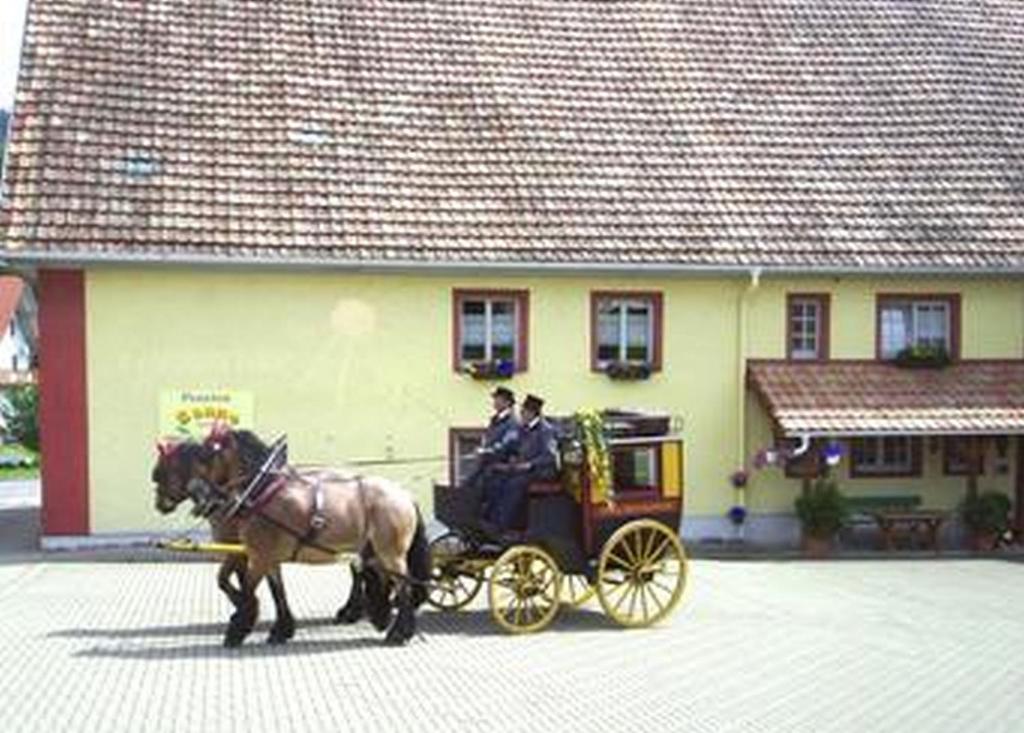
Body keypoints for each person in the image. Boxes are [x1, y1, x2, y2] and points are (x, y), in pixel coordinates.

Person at [484, 393, 559, 533]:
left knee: (515, 484)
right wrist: (504, 457)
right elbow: (512, 445)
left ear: (532, 413)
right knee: (496, 478)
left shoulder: (546, 430)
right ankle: (490, 519)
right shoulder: (522, 429)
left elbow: (549, 456)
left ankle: (504, 525)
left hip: (542, 471)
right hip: (522, 469)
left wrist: (530, 464)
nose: (521, 415)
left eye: (523, 412)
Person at [462, 387, 520, 520]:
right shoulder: (495, 421)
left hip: (500, 469)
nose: (494, 402)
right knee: (466, 486)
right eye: (494, 399)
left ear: (507, 402)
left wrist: (486, 451)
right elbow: (489, 440)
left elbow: (506, 445)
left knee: (487, 489)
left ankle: (491, 523)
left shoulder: (513, 423)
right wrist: (483, 449)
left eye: (497, 399)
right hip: (487, 465)